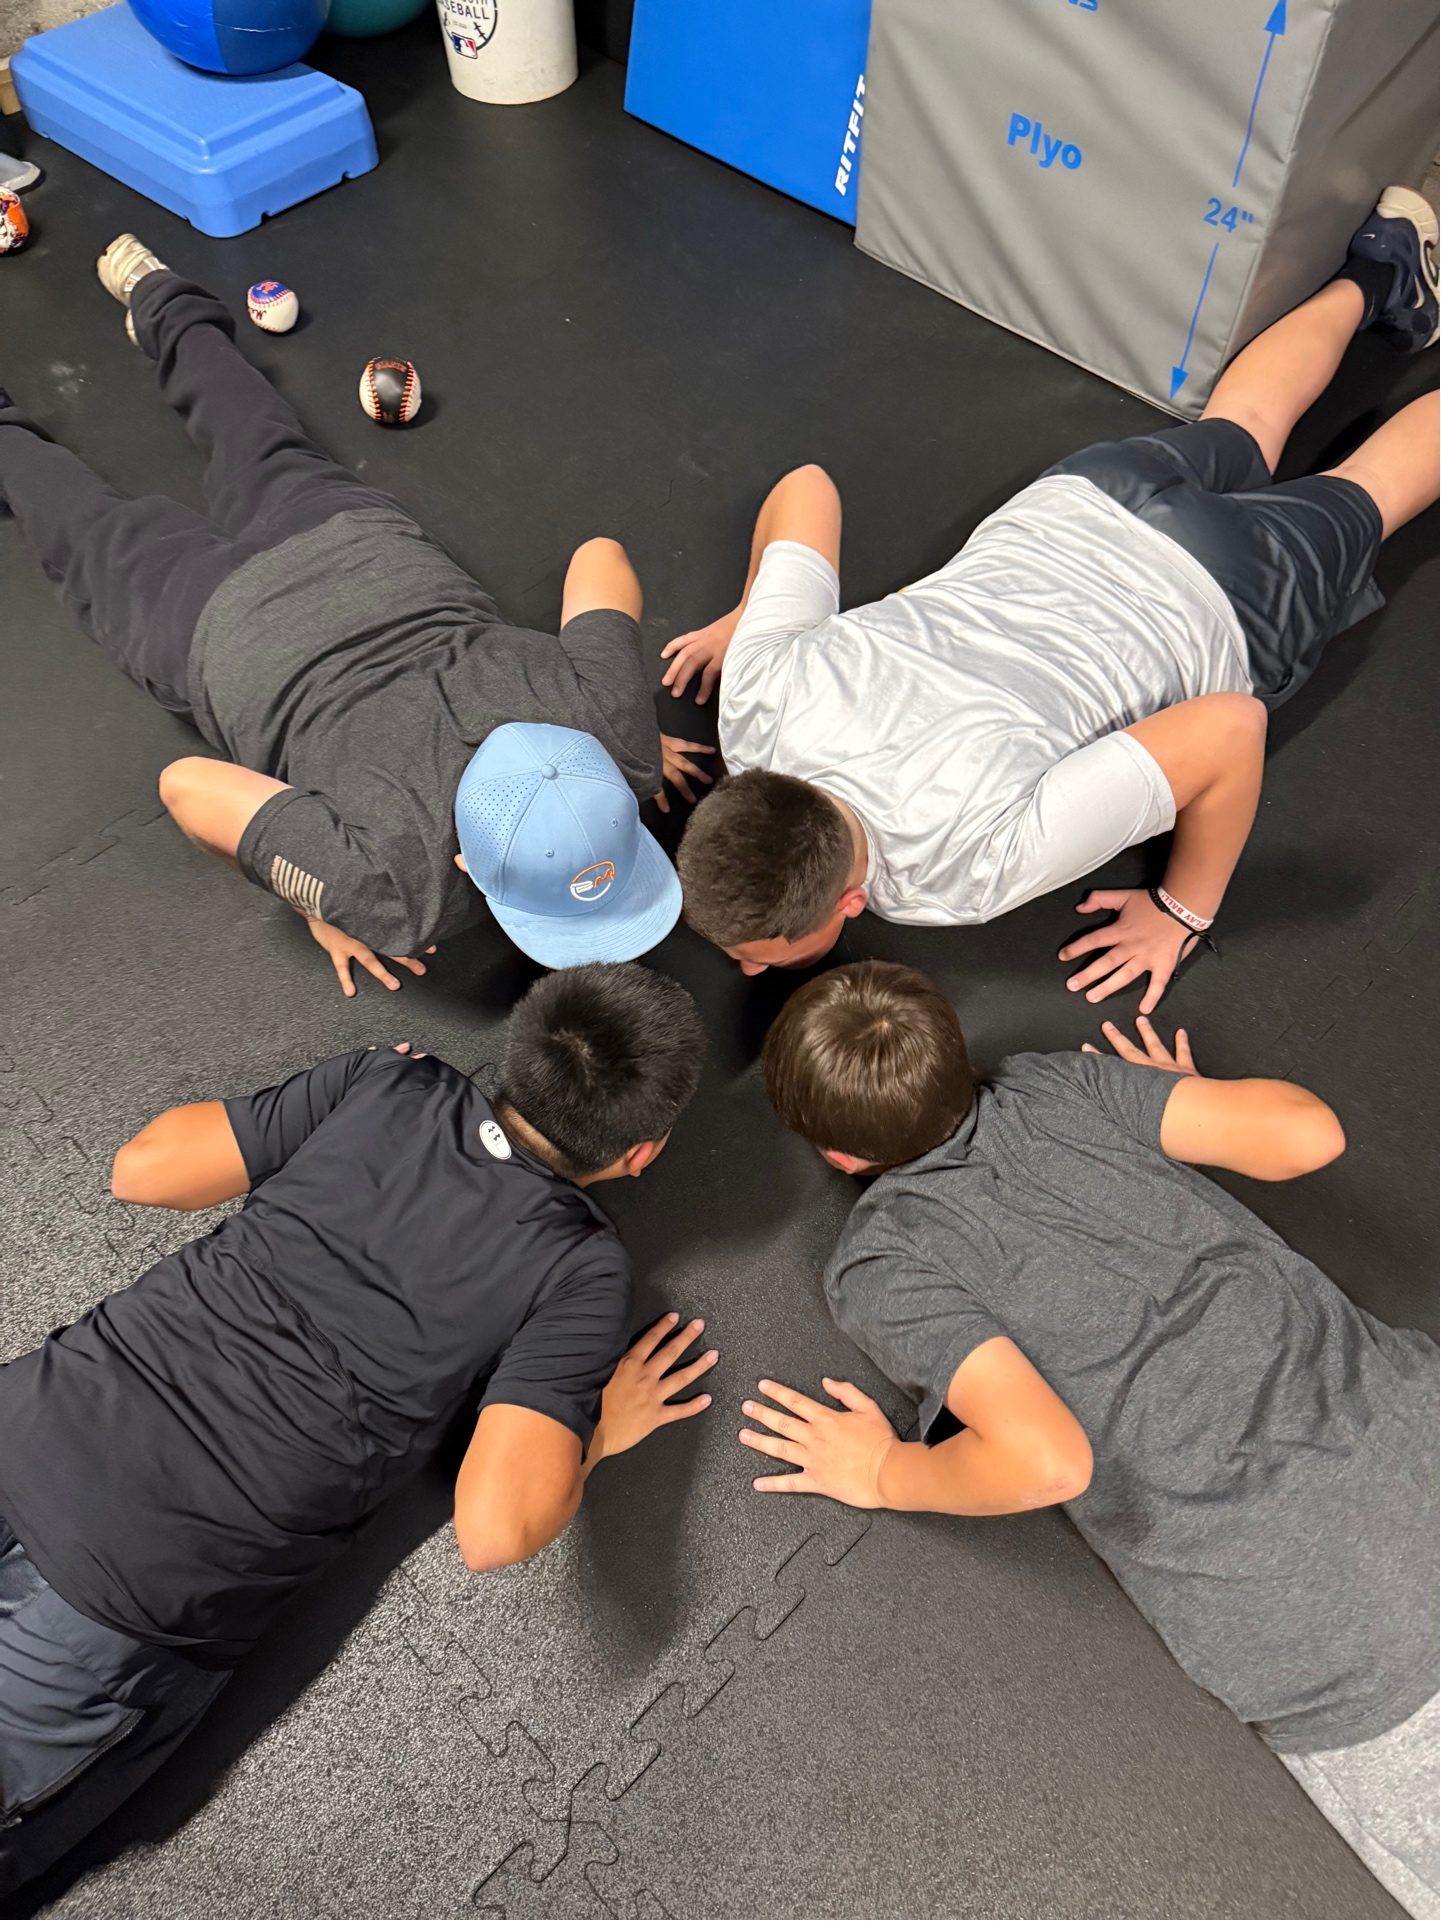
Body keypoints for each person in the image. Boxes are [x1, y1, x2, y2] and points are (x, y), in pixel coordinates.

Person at [0, 963, 718, 1897]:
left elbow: (141, 1170)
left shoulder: (383, 1080)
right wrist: (601, 1430)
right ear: (641, 1153)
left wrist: (337, 1094)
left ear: (517, 1051)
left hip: (33, 1417)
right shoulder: (577, 1265)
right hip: (122, 1597)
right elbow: (494, 1532)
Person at [745, 959, 1439, 1918]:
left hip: (1337, 1643)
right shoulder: (1056, 1084)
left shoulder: (885, 1257)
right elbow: (1307, 1133)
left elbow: (1046, 1460)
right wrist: (1189, 1101)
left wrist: (884, 1468)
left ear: (836, 1154)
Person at [666, 187, 1440, 1009]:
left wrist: (1181, 911)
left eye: (757, 954)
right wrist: (752, 613)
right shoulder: (753, 699)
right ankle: (1383, 263)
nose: (749, 969)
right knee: (1243, 419)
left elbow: (1230, 728)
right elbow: (805, 488)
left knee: (1370, 488)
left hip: (1219, 592)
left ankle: (1391, 276)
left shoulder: (962, 871)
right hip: (1090, 498)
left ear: (851, 903)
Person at [0, 235, 715, 996]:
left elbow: (600, 555)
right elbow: (185, 786)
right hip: (220, 627)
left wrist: (617, 724)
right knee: (79, 523)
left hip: (354, 545)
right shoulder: (397, 895)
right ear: (466, 867)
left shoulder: (616, 737)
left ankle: (156, 292)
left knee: (248, 425)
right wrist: (314, 892)